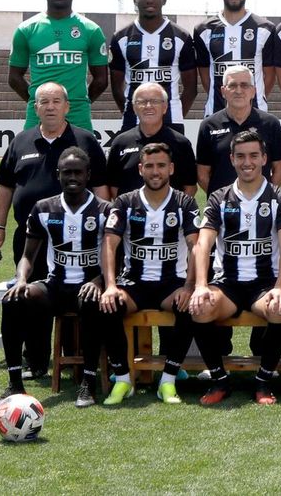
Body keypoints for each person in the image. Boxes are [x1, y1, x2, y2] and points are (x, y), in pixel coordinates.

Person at [0, 83, 110, 377]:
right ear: (36, 108)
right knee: (34, 295)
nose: (51, 106)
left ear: (67, 107)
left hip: (79, 235)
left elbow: (101, 187)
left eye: (57, 101)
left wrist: (109, 226)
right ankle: (37, 361)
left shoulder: (84, 140)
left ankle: (75, 358)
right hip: (31, 233)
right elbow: (5, 185)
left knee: (75, 291)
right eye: (44, 102)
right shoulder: (21, 141)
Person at [0, 148, 112, 408]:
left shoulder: (105, 210)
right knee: (12, 301)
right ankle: (15, 383)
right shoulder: (44, 208)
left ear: (88, 175)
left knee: (94, 302)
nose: (73, 177)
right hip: (55, 287)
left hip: (89, 287)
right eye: (67, 172)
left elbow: (116, 256)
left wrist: (99, 281)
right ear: (57, 174)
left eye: (78, 172)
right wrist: (22, 280)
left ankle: (88, 383)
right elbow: (27, 256)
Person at [188, 131, 281, 406]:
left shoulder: (279, 198)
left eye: (253, 156)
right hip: (228, 285)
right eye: (240, 156)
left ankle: (263, 381)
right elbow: (203, 244)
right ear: (232, 159)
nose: (247, 162)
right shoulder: (219, 198)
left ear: (264, 158)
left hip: (265, 283)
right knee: (200, 307)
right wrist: (201, 284)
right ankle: (219, 380)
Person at [97, 142, 201, 405]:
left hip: (172, 284)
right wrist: (110, 285)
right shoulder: (125, 202)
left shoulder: (184, 202)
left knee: (189, 308)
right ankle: (123, 379)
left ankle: (168, 380)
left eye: (161, 166)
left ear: (171, 169)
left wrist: (190, 285)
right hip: (134, 284)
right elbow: (109, 244)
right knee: (108, 307)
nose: (156, 172)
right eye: (150, 166)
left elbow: (195, 245)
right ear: (141, 169)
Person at [8, 0, 109, 130]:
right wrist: (40, 102)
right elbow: (14, 78)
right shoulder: (26, 29)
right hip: (37, 118)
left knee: (83, 157)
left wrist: (76, 103)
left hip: (78, 117)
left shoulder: (91, 30)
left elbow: (102, 79)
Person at [106, 0, 196, 130]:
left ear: (164, 0)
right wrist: (132, 110)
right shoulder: (121, 37)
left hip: (171, 121)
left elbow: (191, 88)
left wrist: (175, 113)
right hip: (132, 121)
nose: (149, 0)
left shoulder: (181, 37)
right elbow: (116, 87)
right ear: (135, 0)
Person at [193, 0, 281, 117]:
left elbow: (269, 76)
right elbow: (206, 78)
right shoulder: (204, 30)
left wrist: (251, 96)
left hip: (256, 113)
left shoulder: (265, 29)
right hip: (216, 113)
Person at [195, 65, 281, 193]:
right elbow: (202, 174)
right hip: (223, 207)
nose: (238, 91)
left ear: (253, 91)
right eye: (232, 86)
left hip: (260, 206)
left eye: (244, 85)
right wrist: (221, 198)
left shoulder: (271, 124)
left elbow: (279, 169)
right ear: (223, 91)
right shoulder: (208, 125)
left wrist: (264, 195)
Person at [105, 82, 199, 195]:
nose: (148, 106)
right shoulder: (120, 143)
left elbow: (190, 187)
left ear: (165, 107)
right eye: (142, 102)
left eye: (155, 101)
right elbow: (113, 186)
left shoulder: (181, 143)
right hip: (131, 212)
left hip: (170, 212)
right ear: (134, 108)